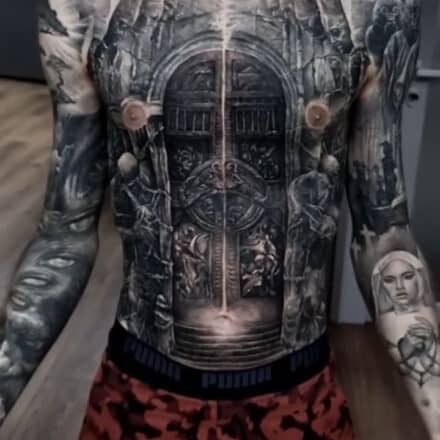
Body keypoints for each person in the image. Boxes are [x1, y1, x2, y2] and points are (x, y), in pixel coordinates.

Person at [1, 0, 439, 438]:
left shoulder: (370, 11)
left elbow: (385, 233)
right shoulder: (82, 10)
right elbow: (64, 234)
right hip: (140, 393)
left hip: (299, 393)